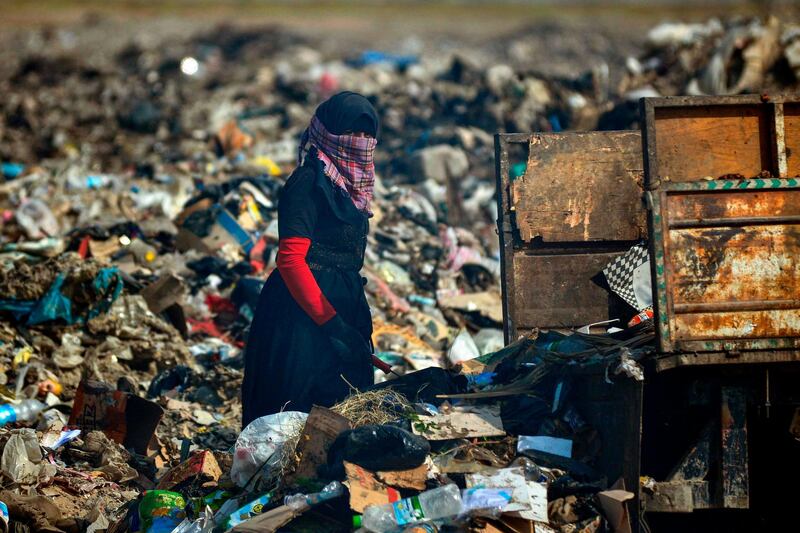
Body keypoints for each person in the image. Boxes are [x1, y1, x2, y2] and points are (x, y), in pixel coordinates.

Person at [241, 92, 379, 427]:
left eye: (366, 135)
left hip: (344, 304)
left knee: (344, 412)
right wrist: (331, 324)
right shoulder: (307, 183)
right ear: (329, 133)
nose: (359, 142)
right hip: (301, 316)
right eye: (351, 133)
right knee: (295, 412)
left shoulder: (352, 189)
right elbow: (290, 260)